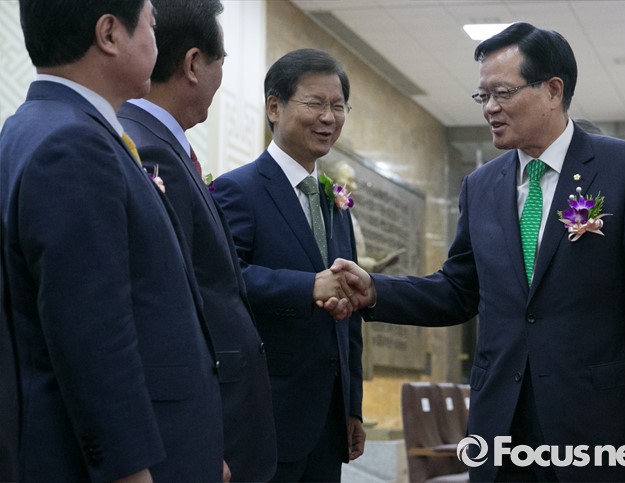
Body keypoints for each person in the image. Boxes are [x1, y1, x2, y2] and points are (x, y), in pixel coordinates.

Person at [330, 22, 625, 482]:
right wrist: (376, 290)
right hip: (500, 424)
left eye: (502, 93)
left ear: (553, 90)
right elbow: (458, 290)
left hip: (596, 425)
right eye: (483, 96)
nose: (490, 108)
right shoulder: (480, 186)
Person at [0, 1, 227, 481]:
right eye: (150, 24)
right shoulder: (73, 144)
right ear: (109, 34)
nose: (156, 39)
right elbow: (92, 335)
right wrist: (129, 471)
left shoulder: (37, 125)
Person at [117, 0, 276, 480]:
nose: (221, 76)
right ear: (192, 64)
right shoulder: (147, 149)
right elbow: (166, 311)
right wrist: (202, 444)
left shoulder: (164, 144)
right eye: (221, 61)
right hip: (205, 425)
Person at [212, 48, 366, 481]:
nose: (328, 117)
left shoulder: (336, 204)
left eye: (338, 106)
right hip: (265, 415)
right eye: (315, 103)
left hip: (329, 422)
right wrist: (306, 286)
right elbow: (223, 280)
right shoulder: (237, 190)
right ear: (274, 108)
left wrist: (352, 406)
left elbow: (351, 312)